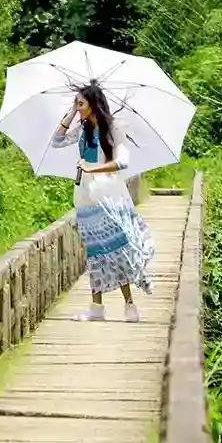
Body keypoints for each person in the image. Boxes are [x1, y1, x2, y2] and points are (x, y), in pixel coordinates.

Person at [51, 82, 156, 321]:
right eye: (76, 103)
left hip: (108, 194)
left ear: (93, 104)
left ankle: (130, 304)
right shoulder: (82, 129)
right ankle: (96, 306)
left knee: (116, 248)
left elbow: (123, 161)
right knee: (94, 251)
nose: (78, 108)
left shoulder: (113, 128)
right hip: (85, 195)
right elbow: (57, 141)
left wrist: (93, 167)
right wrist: (70, 114)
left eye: (81, 103)